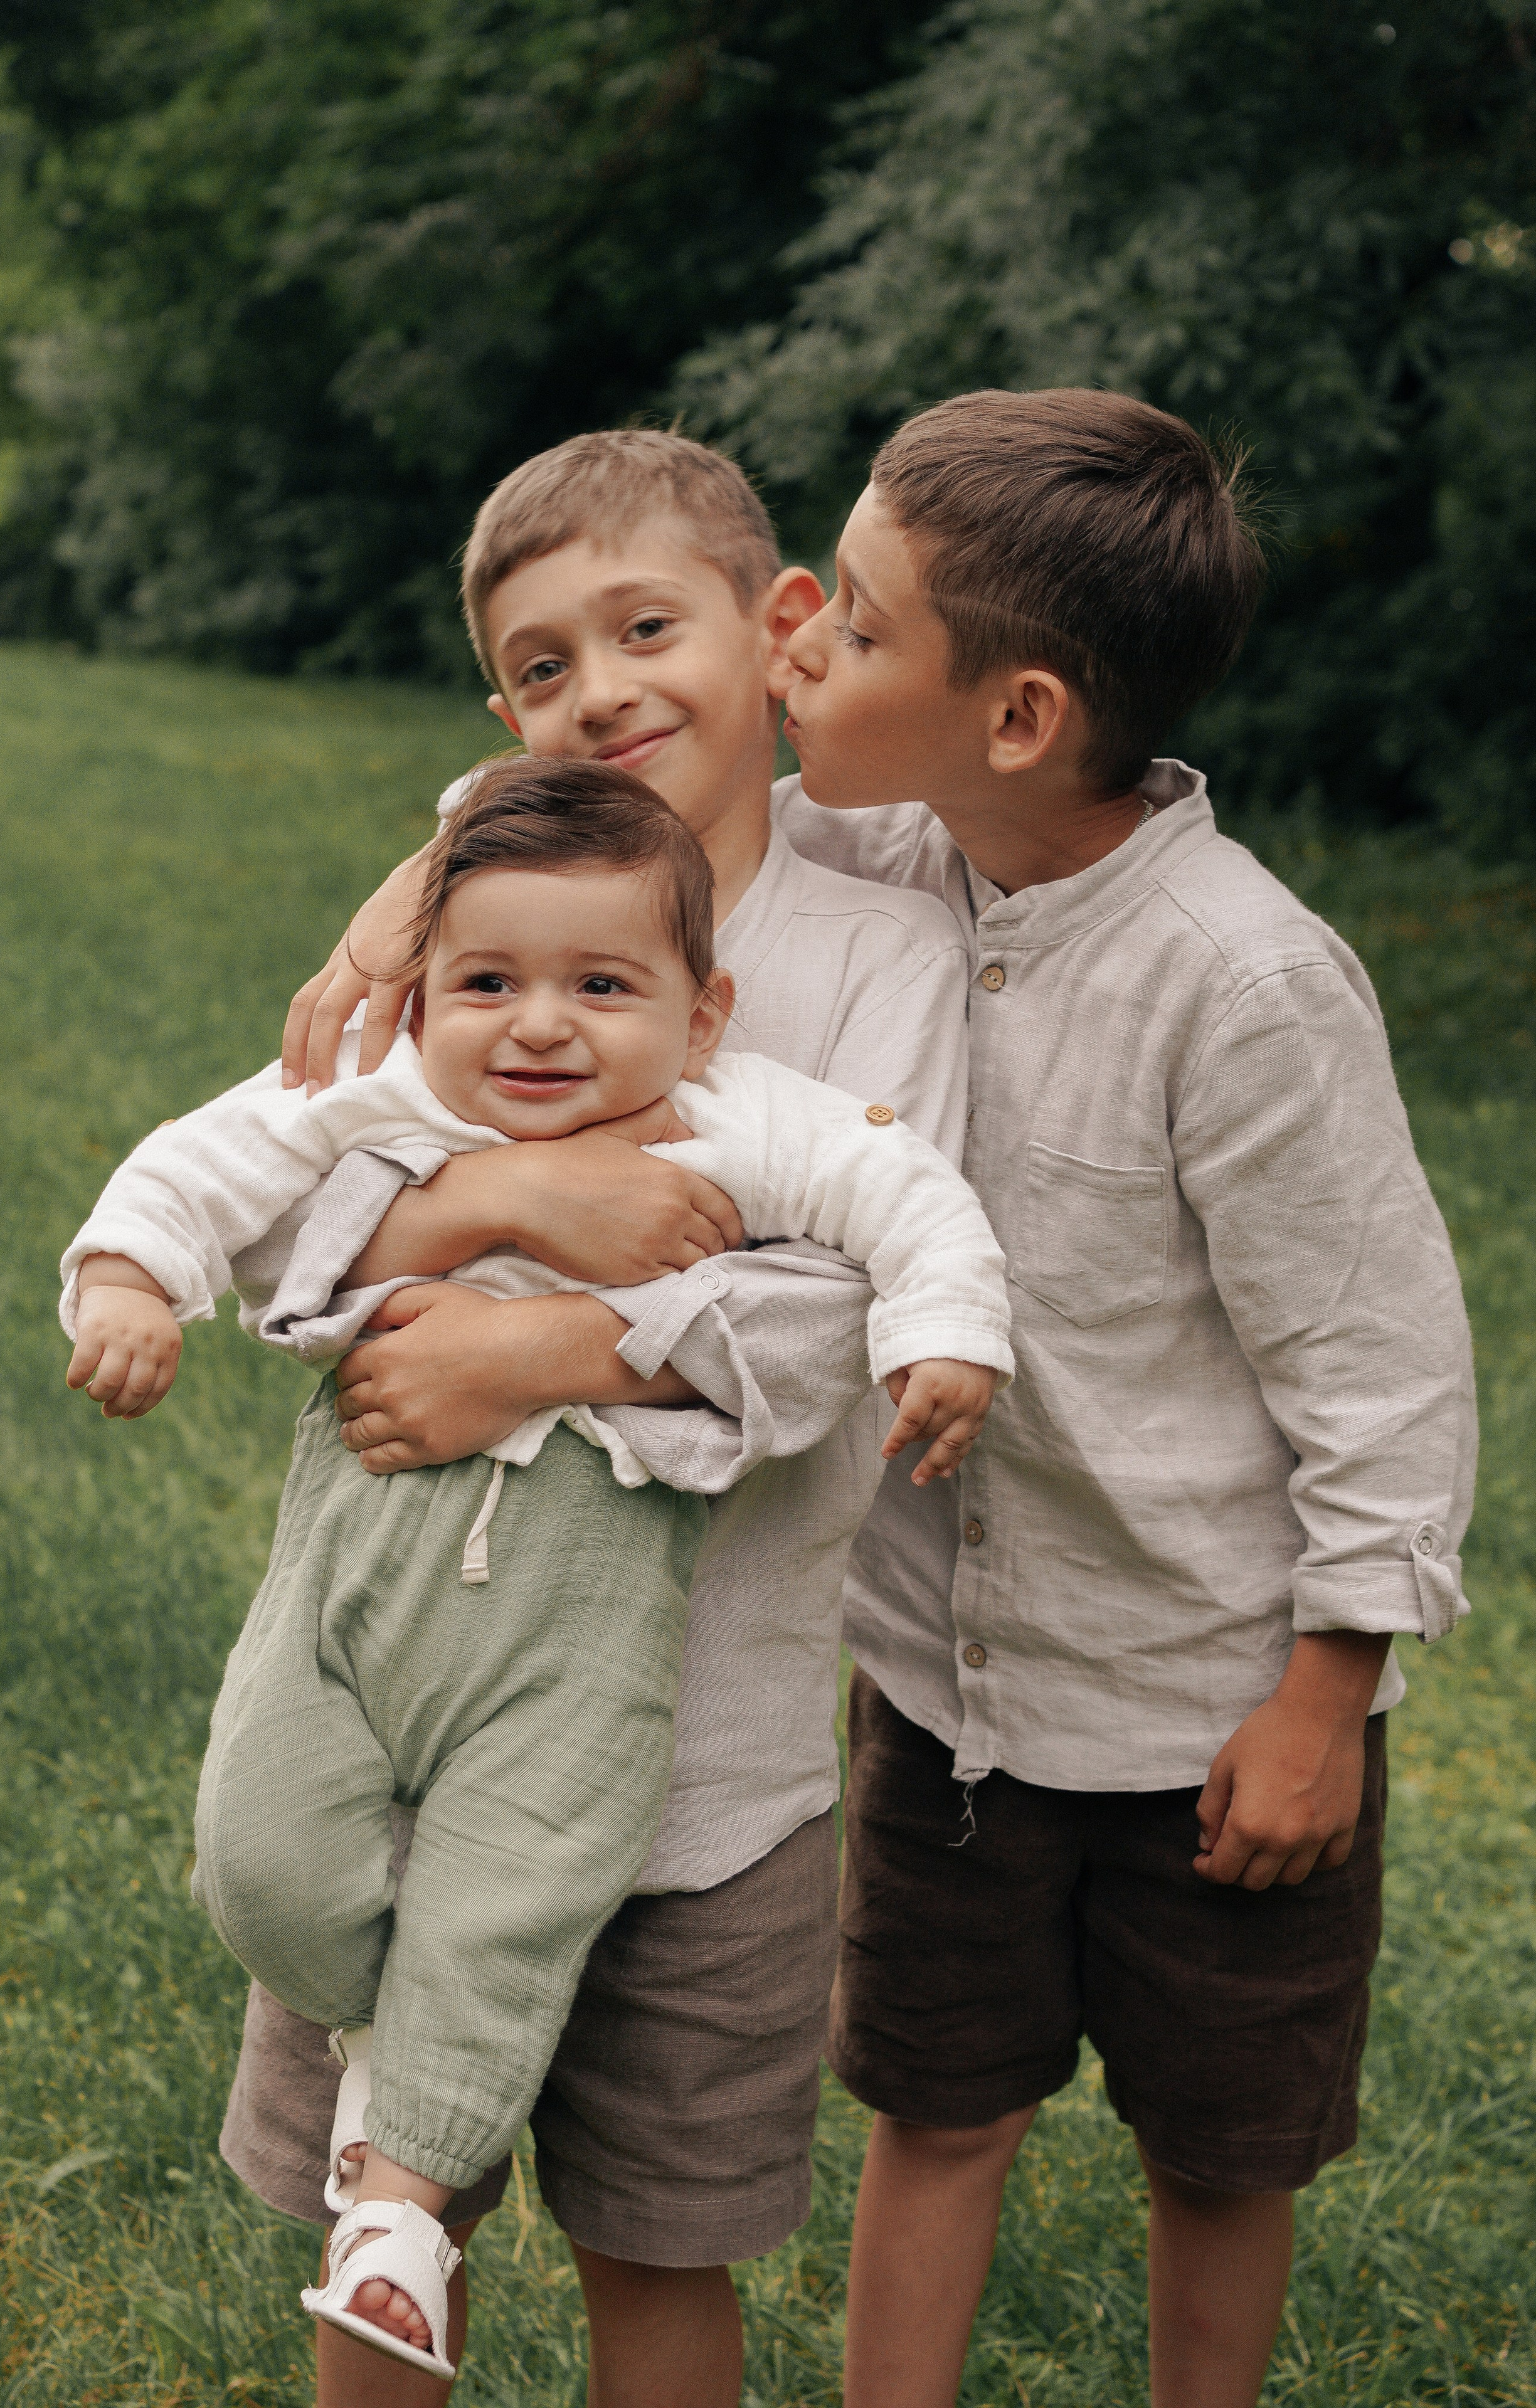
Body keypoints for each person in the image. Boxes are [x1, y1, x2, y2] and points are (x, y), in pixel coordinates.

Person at [63, 756, 1011, 2380]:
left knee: (511, 1898)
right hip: (349, 1596)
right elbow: (204, 1164)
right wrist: (128, 1282)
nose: (540, 1026)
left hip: (580, 1643)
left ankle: (401, 2206)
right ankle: (386, 2050)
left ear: (703, 1017)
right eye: (489, 984)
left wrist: (945, 1335)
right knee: (256, 1858)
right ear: (426, 995)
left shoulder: (746, 1121)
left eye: (603, 987)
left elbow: (906, 1198)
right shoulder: (399, 1098)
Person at [213, 430, 984, 2408]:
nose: (606, 690)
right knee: (387, 2245)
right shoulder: (463, 931)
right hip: (406, 1717)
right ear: (504, 717)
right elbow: (275, 1219)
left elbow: (836, 1317)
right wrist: (502, 1197)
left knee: (659, 2250)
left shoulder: (881, 953)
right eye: (544, 666)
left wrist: (541, 1350)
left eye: (648, 630)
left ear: (778, 630)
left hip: (714, 1772)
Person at [764, 387, 1478, 2407]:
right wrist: (402, 910)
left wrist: (1325, 1699)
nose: (804, 632)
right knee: (937, 2106)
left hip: (1211, 1714)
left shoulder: (1244, 985)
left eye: (861, 623)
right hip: (949, 1692)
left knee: (1220, 2147)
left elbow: (1380, 1365)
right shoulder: (875, 860)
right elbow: (612, 804)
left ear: (1017, 718)